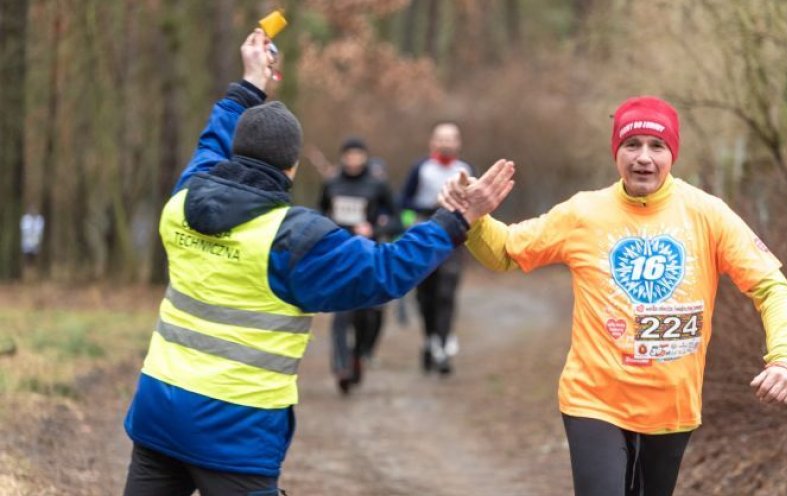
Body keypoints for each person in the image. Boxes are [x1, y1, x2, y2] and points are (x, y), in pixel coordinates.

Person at [121, 29, 514, 496]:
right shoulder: (291, 239)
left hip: (157, 415)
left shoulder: (183, 200)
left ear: (236, 152)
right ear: (292, 168)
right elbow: (385, 272)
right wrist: (458, 219)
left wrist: (249, 84)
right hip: (235, 433)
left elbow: (212, 142)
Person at [440, 97, 787, 496]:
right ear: (616, 152)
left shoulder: (707, 214)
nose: (643, 158)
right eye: (632, 145)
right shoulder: (584, 213)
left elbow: (772, 287)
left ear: (672, 154)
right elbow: (508, 251)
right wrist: (473, 220)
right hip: (594, 399)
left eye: (657, 146)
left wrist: (786, 360)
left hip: (672, 407)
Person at [319, 136, 400, 394]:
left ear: (364, 157)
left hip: (368, 256)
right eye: (349, 154)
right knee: (341, 313)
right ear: (343, 156)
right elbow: (318, 213)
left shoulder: (377, 185)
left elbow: (398, 219)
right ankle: (342, 366)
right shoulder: (331, 182)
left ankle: (360, 354)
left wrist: (375, 228)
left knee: (368, 313)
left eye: (358, 154)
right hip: (339, 255)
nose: (353, 159)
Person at [400, 121, 474, 375]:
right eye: (441, 139)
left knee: (447, 291)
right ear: (432, 142)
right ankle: (430, 338)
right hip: (424, 237)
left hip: (454, 239)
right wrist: (412, 221)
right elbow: (404, 204)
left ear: (459, 143)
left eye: (451, 139)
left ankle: (443, 343)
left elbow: (475, 205)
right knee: (426, 296)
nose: (446, 143)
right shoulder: (421, 169)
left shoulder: (465, 170)